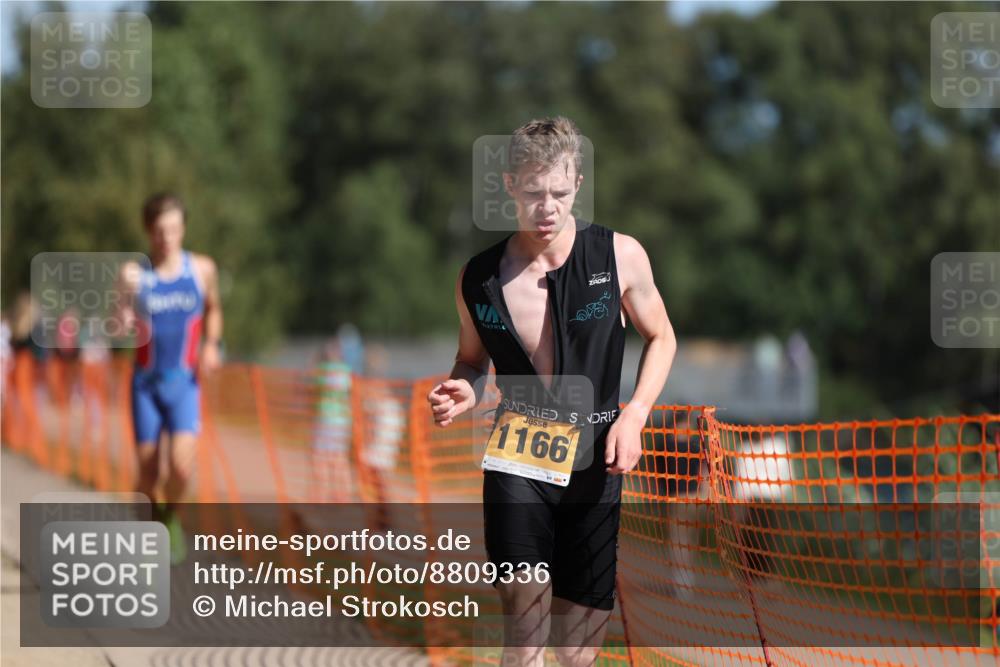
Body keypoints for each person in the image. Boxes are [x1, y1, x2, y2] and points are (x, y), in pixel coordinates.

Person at [427, 117, 676, 666]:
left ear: (578, 185)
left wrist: (634, 415)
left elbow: (661, 336)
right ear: (510, 185)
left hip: (597, 461)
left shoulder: (619, 255)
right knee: (525, 625)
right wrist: (464, 390)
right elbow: (471, 361)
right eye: (534, 193)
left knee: (576, 653)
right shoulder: (479, 278)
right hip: (519, 453)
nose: (548, 207)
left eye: (560, 193)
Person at [119, 193, 223, 563]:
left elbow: (213, 311)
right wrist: (123, 321)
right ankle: (147, 526)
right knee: (148, 472)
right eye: (160, 231)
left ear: (183, 229)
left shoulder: (201, 270)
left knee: (181, 468)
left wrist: (211, 344)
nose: (168, 238)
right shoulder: (134, 276)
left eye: (175, 230)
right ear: (149, 231)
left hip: (184, 384)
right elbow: (115, 319)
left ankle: (170, 519)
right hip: (145, 384)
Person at [309, 337, 354, 503]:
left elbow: (309, 386)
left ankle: (318, 497)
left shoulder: (322, 371)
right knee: (340, 460)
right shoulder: (347, 372)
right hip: (343, 421)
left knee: (319, 459)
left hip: (325, 420)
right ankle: (343, 497)